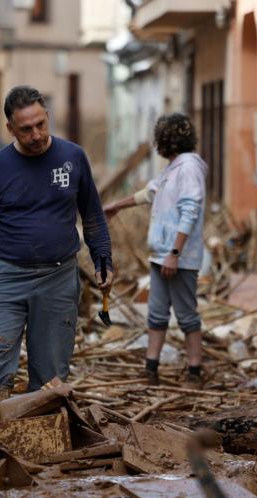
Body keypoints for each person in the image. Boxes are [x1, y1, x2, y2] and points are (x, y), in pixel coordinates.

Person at [0, 85, 114, 414]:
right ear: (10, 128)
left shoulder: (73, 158)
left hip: (59, 278)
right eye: (26, 129)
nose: (37, 134)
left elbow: (93, 216)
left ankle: (39, 449)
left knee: (50, 373)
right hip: (9, 276)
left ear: (47, 117)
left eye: (41, 124)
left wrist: (103, 260)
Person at [103, 113, 207, 388]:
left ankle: (195, 371)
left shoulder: (188, 169)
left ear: (163, 141)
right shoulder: (173, 168)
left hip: (178, 258)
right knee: (157, 314)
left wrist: (175, 253)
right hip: (161, 255)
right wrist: (116, 206)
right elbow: (151, 192)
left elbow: (190, 211)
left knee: (186, 314)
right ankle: (151, 369)